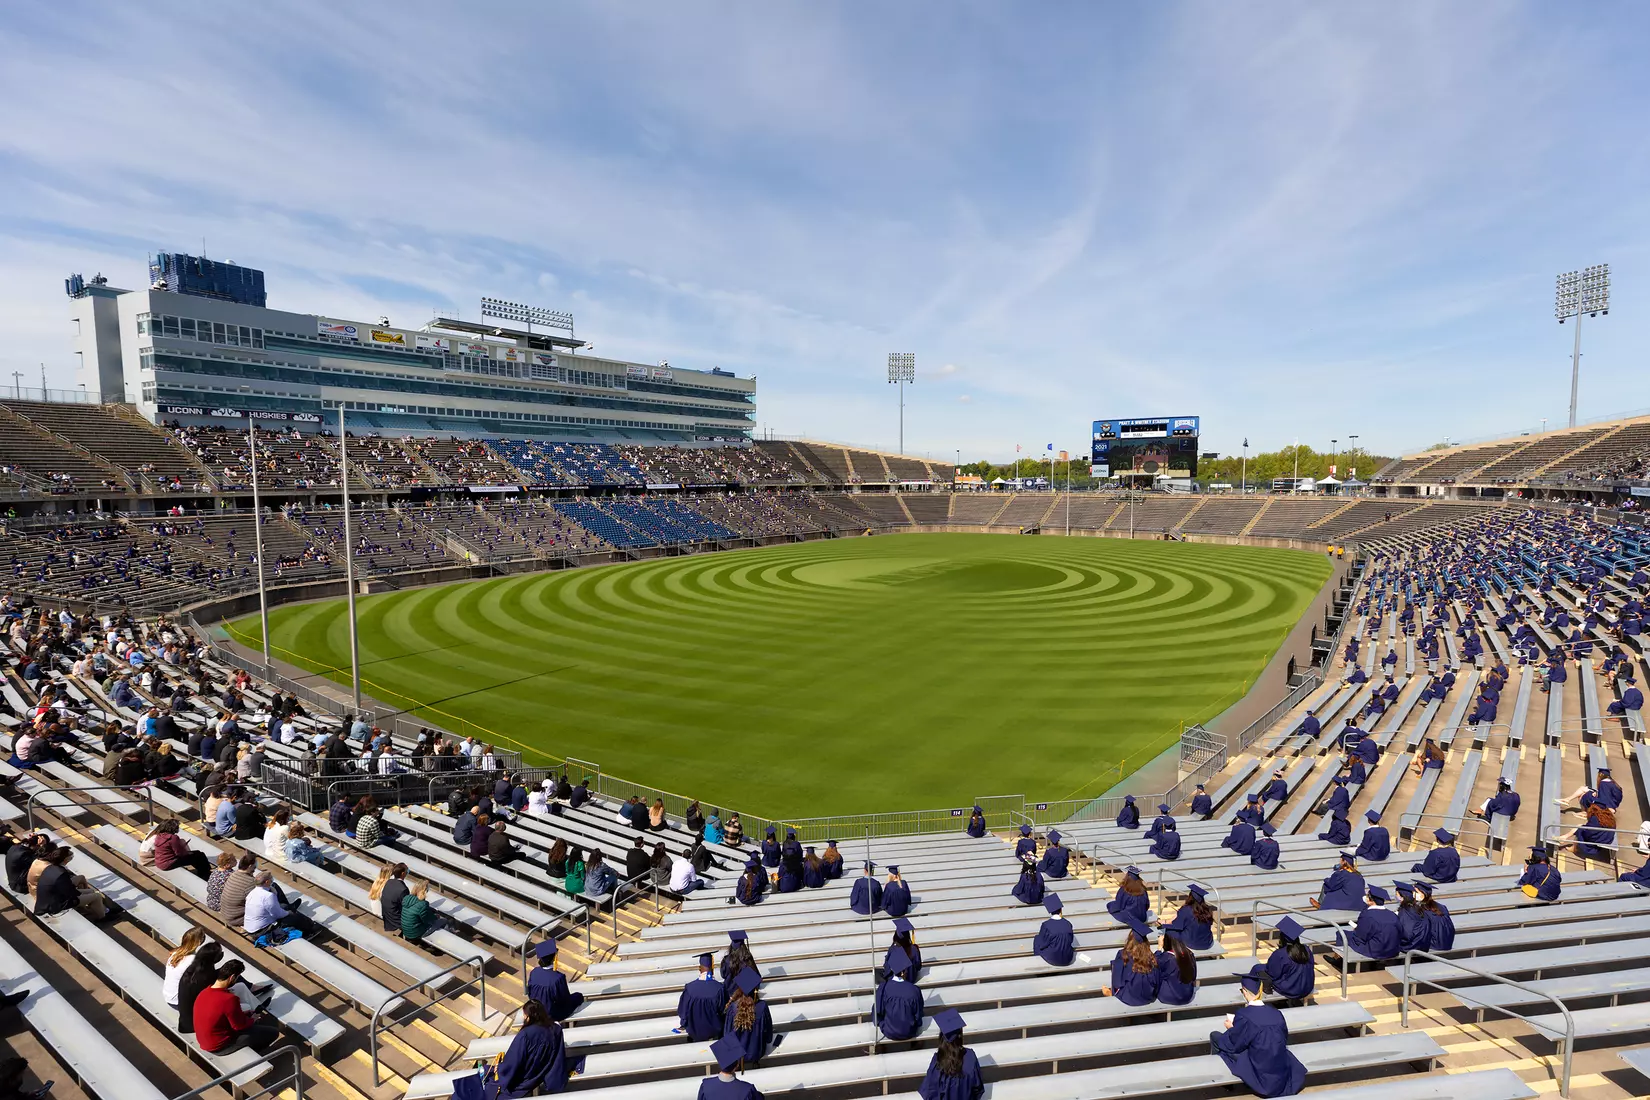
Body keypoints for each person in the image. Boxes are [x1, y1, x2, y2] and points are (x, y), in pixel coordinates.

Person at [1210, 975, 1308, 1098]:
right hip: (1277, 1061)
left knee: (1215, 1036)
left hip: (1259, 1066)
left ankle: (1222, 1080)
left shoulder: (1244, 1015)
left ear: (1245, 991)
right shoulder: (1276, 1013)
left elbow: (1235, 1044)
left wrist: (1231, 1029)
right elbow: (1283, 1036)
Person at [487, 999, 581, 1097]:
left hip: (528, 1076)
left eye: (525, 1015)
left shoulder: (525, 1035)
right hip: (545, 1070)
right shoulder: (556, 1029)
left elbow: (514, 1060)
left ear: (529, 1016)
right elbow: (558, 1054)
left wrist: (501, 1068)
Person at [194, 964, 282, 1056]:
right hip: (221, 1045)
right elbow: (239, 1026)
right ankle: (252, 1056)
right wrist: (253, 1019)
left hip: (206, 1041)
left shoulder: (203, 992)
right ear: (232, 977)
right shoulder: (229, 999)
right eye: (237, 977)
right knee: (273, 1033)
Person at [32, 847, 108, 920]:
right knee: (97, 896)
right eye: (70, 856)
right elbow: (69, 892)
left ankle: (99, 910)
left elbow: (67, 889)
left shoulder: (50, 867)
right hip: (56, 905)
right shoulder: (61, 873)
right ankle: (102, 918)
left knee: (90, 892)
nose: (71, 856)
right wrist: (81, 896)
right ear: (65, 859)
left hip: (51, 899)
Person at [721, 967, 775, 1068]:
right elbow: (768, 1034)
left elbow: (727, 1034)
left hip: (737, 1054)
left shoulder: (733, 1008)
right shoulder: (762, 1007)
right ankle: (755, 1062)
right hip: (756, 1052)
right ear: (755, 990)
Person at [245, 870, 319, 941]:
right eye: (271, 879)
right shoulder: (268, 896)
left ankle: (292, 910)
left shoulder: (252, 893)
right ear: (267, 882)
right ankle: (309, 932)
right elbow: (277, 915)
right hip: (262, 930)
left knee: (285, 908)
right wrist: (288, 913)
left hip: (251, 928)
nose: (272, 880)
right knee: (295, 917)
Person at [1100, 914, 1158, 1004]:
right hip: (1147, 997)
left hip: (1129, 997)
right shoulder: (1151, 957)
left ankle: (1111, 993)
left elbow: (1117, 981)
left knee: (1117, 970)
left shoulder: (1123, 954)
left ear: (1130, 940)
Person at [873, 945, 924, 1041]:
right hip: (910, 1032)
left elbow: (878, 1011)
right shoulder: (914, 990)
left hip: (889, 1031)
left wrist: (881, 1022)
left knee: (876, 1005)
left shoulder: (884, 988)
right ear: (903, 972)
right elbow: (918, 1016)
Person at [1262, 917, 1315, 1006]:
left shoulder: (1280, 954)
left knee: (1259, 970)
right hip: (1307, 986)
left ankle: (1279, 1003)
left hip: (1290, 989)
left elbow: (1272, 973)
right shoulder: (1306, 949)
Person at [527, 941, 585, 1020]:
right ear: (554, 958)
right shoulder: (558, 978)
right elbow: (564, 1000)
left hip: (536, 1010)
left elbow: (530, 993)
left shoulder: (534, 972)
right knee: (578, 996)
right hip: (552, 1014)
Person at [1340, 884, 1399, 961]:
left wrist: (1356, 929)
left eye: (1368, 896)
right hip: (1392, 949)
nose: (1366, 897)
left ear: (1371, 901)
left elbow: (1361, 936)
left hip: (1376, 950)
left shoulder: (1368, 915)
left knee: (1341, 934)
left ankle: (1340, 962)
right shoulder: (1392, 915)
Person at [676, 953, 725, 1042]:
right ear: (712, 968)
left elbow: (682, 1012)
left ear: (699, 968)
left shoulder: (690, 988)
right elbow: (723, 1011)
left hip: (694, 1034)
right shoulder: (719, 988)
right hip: (715, 1035)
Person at [162, 926, 209, 1013]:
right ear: (198, 942)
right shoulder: (193, 961)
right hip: (178, 1001)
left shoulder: (175, 953)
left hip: (169, 995)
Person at [1163, 883, 1216, 951]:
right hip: (1207, 943)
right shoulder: (1207, 909)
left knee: (1168, 931)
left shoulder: (1186, 910)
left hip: (1192, 943)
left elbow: (1177, 926)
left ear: (1190, 897)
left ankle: (1167, 952)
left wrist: (1164, 924)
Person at [1155, 927, 1198, 1006]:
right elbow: (1193, 976)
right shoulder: (1189, 954)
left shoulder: (1166, 958)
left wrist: (1159, 948)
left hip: (1169, 996)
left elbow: (1153, 964)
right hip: (1187, 995)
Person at [1032, 894, 1076, 966]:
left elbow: (1043, 943)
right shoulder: (1068, 924)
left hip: (1053, 958)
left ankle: (1038, 964)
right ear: (1061, 910)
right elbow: (1070, 940)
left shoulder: (1046, 925)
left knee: (1037, 939)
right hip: (1067, 958)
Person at [1416, 882, 1456, 950]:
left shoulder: (1421, 910)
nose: (1413, 894)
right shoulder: (1441, 906)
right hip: (1447, 943)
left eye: (1416, 892)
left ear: (1424, 893)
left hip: (1433, 945)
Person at [401, 880, 442, 944]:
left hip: (406, 930)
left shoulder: (406, 898)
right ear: (425, 891)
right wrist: (436, 917)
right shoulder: (423, 904)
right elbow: (427, 919)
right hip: (415, 933)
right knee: (442, 921)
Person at [1394, 881, 1429, 953]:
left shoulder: (1405, 912)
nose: (1395, 896)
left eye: (1397, 894)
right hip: (1423, 944)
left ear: (1402, 897)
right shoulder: (1416, 907)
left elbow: (1407, 934)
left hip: (1411, 947)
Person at [375, 863, 409, 932]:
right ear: (402, 873)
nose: (408, 872)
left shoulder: (389, 882)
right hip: (396, 920)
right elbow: (406, 907)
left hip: (387, 917)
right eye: (407, 871)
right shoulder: (403, 889)